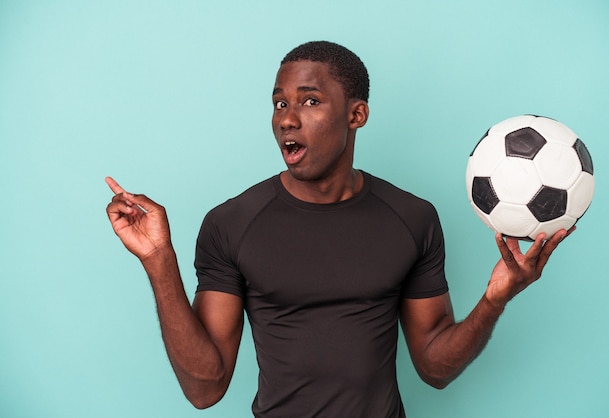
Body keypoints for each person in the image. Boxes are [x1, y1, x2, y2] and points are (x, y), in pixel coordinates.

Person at [105, 41, 572, 417]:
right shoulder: (231, 224)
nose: (287, 117)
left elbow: (434, 367)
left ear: (356, 115)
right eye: (279, 103)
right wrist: (158, 261)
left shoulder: (412, 218)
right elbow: (204, 389)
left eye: (310, 101)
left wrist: (495, 300)